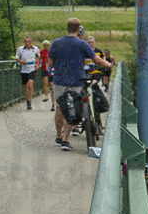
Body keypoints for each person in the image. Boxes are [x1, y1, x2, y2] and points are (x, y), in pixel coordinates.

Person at [48, 18, 112, 151]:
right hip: (76, 81)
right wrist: (108, 64)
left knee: (60, 108)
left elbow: (50, 63)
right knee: (71, 108)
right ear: (78, 30)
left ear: (67, 28)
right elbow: (96, 59)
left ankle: (59, 137)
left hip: (59, 81)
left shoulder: (56, 43)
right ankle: (66, 140)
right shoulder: (82, 44)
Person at [15, 36, 41, 110]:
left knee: (30, 84)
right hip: (24, 70)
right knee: (25, 86)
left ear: (31, 42)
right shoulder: (20, 49)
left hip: (32, 69)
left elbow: (39, 57)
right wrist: (22, 61)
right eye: (26, 42)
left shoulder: (35, 48)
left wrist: (37, 64)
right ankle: (27, 101)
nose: (27, 43)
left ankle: (29, 101)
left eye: (28, 42)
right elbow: (17, 58)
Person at [39, 40, 54, 108]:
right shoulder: (41, 51)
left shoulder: (52, 52)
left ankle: (53, 104)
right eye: (44, 45)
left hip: (52, 70)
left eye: (47, 45)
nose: (46, 46)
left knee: (52, 85)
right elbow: (39, 59)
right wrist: (37, 64)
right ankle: (46, 96)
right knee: (45, 82)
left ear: (49, 45)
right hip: (44, 69)